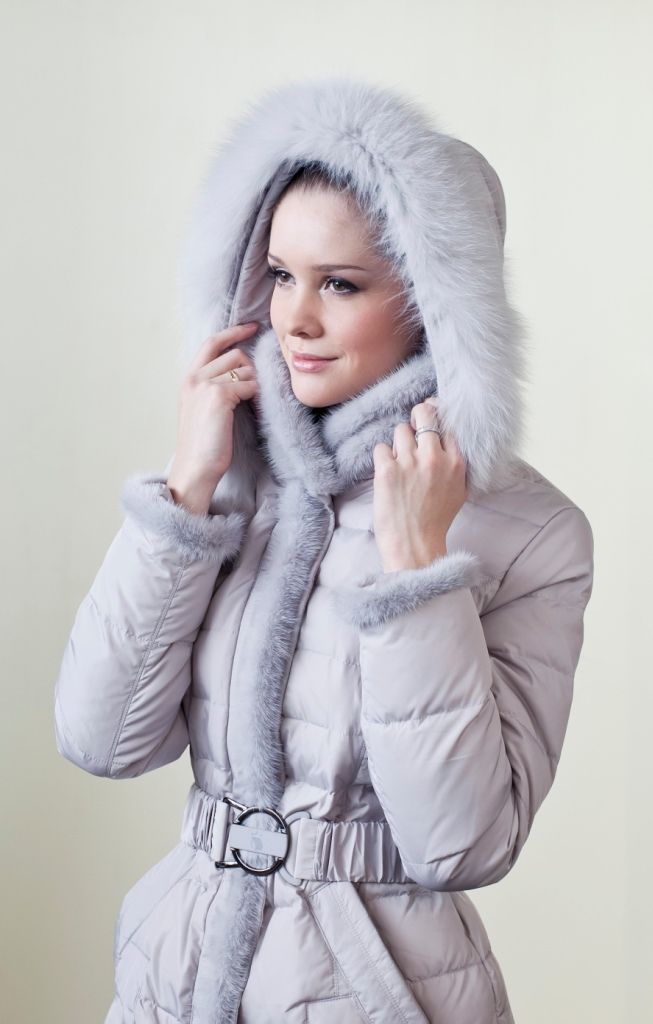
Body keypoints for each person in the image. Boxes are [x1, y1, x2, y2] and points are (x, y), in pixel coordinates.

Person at [54, 76, 595, 1024]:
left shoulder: (534, 531)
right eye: (278, 275)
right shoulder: (228, 475)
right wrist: (185, 491)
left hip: (379, 990)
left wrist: (417, 573)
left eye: (340, 284)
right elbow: (100, 741)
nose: (293, 318)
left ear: (430, 301)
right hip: (175, 979)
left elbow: (461, 845)